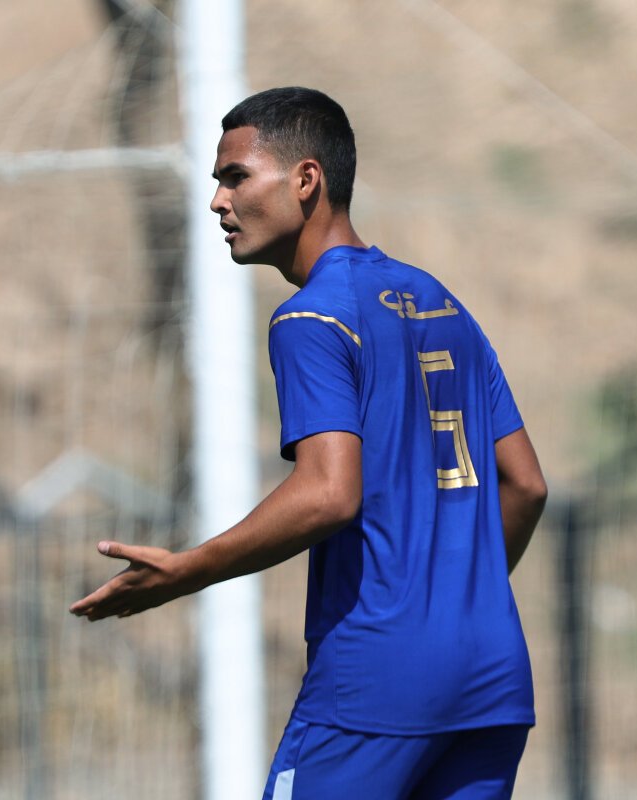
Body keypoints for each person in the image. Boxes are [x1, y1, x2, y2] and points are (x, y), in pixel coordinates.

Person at [70, 87, 547, 799]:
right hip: (490, 672)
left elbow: (328, 494)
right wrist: (453, 599)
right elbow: (527, 485)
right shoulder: (441, 302)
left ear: (305, 180)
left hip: (379, 678)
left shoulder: (312, 319)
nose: (219, 202)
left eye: (236, 177)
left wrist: (187, 570)